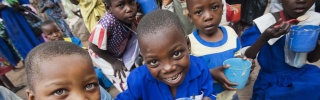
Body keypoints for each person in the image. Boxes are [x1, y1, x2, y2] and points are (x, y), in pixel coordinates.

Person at [116, 9, 216, 100]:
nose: (168, 68)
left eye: (176, 54)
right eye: (154, 61)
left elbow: (210, 94)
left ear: (188, 45)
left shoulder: (200, 69)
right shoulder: (138, 81)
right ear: (144, 58)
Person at [241, 0, 320, 99]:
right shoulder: (265, 23)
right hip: (273, 79)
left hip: (302, 74)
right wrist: (265, 37)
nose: (301, 0)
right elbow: (246, 56)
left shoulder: (314, 21)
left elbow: (312, 59)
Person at [186, 0, 252, 99]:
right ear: (190, 17)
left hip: (231, 95)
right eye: (199, 12)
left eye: (214, 8)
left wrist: (242, 62)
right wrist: (210, 74)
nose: (208, 17)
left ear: (222, 8)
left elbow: (236, 56)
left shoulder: (230, 33)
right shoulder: (188, 43)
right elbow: (187, 74)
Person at [24, 41, 113, 100]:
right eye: (59, 92)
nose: (81, 98)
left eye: (89, 86)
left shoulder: (102, 94)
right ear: (33, 98)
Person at [89, 0, 140, 92]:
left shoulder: (127, 17)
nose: (129, 9)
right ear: (109, 8)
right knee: (121, 76)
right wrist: (114, 62)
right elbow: (93, 46)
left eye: (131, 2)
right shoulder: (106, 24)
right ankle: (129, 92)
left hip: (117, 47)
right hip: (101, 54)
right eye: (121, 5)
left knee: (130, 69)